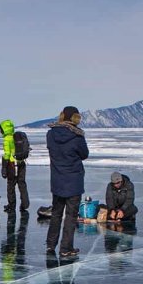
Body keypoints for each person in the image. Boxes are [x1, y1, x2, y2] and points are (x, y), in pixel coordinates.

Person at [45, 106, 89, 259]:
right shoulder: (77, 136)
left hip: (57, 180)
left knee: (56, 214)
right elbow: (84, 155)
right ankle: (65, 248)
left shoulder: (50, 134)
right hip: (73, 182)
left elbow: (52, 150)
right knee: (70, 216)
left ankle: (51, 245)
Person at [0, 119, 28, 213]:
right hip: (21, 163)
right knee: (21, 183)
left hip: (12, 164)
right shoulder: (17, 136)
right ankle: (25, 203)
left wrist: (4, 167)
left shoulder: (7, 139)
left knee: (11, 185)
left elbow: (7, 154)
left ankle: (11, 205)